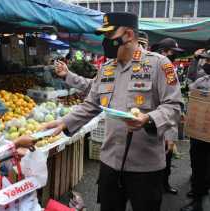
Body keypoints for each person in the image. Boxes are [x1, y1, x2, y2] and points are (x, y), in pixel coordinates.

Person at [44, 12, 182, 211]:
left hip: (145, 166)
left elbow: (174, 106)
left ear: (128, 34)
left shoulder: (159, 64)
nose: (105, 41)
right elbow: (91, 104)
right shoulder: (106, 68)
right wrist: (64, 122)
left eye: (109, 36)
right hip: (110, 162)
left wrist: (148, 118)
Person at [151, 37, 185, 195]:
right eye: (173, 53)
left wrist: (171, 136)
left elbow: (172, 106)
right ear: (163, 52)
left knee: (167, 158)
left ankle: (163, 184)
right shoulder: (154, 68)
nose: (174, 56)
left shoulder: (170, 68)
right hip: (151, 125)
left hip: (164, 124)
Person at [180, 50, 210, 211]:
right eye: (206, 61)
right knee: (198, 164)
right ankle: (198, 197)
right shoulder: (202, 80)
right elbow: (188, 84)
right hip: (200, 133)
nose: (206, 64)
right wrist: (195, 59)